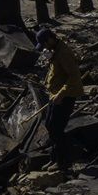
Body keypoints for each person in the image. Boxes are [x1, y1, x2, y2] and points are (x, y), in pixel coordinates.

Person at [35, 24, 83, 165]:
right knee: (49, 125)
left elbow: (74, 76)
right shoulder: (56, 50)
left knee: (56, 128)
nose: (44, 47)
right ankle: (55, 157)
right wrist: (50, 58)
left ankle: (63, 162)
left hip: (65, 96)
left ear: (50, 39)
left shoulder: (64, 53)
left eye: (44, 44)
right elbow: (56, 71)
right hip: (54, 94)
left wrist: (61, 94)